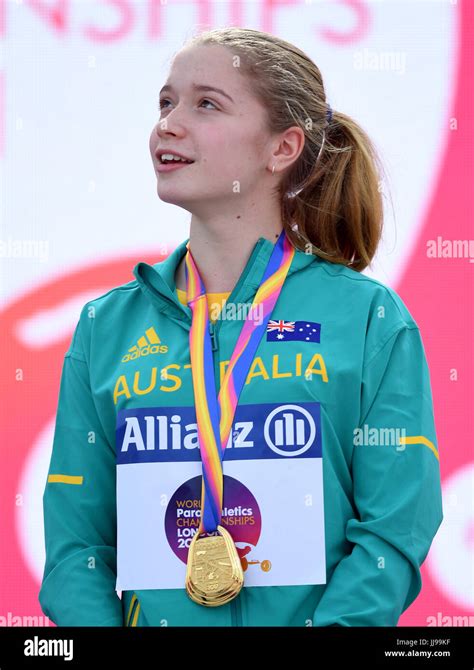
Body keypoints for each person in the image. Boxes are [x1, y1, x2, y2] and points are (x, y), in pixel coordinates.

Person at [38, 26, 443, 627]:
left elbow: (394, 531)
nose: (168, 124)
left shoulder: (367, 319)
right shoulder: (106, 326)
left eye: (206, 103)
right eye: (165, 102)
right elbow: (77, 547)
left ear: (281, 149)